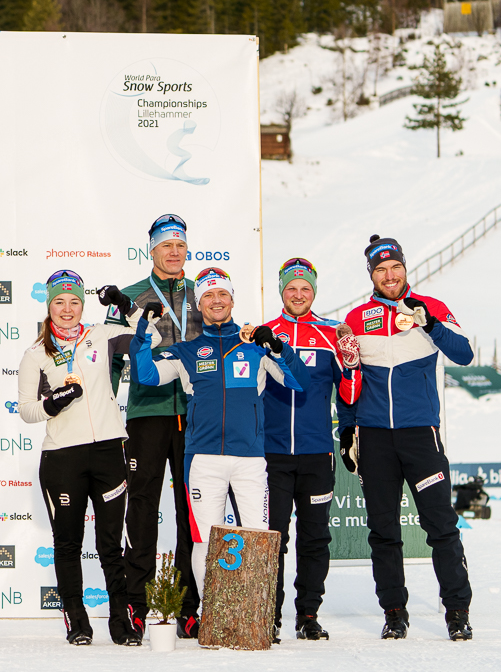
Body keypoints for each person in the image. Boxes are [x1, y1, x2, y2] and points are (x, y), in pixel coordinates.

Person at [129, 267, 309, 600]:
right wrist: (144, 328)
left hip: (250, 459)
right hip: (203, 460)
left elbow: (299, 382)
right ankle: (209, 613)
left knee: (258, 537)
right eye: (209, 295)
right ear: (199, 304)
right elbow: (146, 375)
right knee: (205, 541)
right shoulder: (187, 350)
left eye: (222, 294)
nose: (216, 301)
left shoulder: (255, 346)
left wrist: (278, 348)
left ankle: (255, 615)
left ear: (232, 300)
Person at [341, 235, 474, 641]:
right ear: (372, 275)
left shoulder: (430, 307)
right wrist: (348, 430)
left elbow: (464, 353)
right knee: (383, 530)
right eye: (381, 270)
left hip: (421, 434)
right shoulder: (356, 318)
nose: (389, 275)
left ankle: (457, 611)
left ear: (404, 268)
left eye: (395, 267)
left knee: (440, 525)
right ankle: (394, 612)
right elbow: (350, 377)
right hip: (376, 437)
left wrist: (429, 324)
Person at [17, 271, 141, 646]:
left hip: (107, 451)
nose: (67, 309)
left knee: (110, 544)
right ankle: (77, 619)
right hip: (62, 458)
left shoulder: (101, 337)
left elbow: (149, 333)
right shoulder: (35, 355)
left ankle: (122, 620)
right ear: (49, 307)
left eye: (73, 302)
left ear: (82, 306)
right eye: (59, 302)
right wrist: (53, 402)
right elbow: (26, 410)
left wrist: (125, 304)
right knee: (68, 542)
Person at [106, 213, 204, 637]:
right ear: (152, 250)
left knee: (191, 509)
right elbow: (109, 358)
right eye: (167, 245)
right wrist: (108, 409)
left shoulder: (204, 294)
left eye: (180, 245)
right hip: (146, 413)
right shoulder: (129, 296)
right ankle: (139, 603)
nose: (175, 252)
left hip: (197, 417)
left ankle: (188, 605)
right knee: (142, 508)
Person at [262, 258, 362, 642]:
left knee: (315, 536)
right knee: (274, 536)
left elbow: (349, 395)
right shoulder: (266, 333)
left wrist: (351, 366)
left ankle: (308, 614)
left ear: (314, 293)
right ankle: (269, 614)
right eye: (291, 288)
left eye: (305, 289)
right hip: (272, 455)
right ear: (281, 292)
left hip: (317, 453)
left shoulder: (330, 334)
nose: (298, 295)